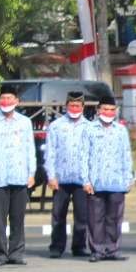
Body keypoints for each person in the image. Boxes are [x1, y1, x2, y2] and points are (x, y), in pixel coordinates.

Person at [0, 85, 36, 266]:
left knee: (17, 218)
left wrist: (31, 173)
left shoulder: (25, 122)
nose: (6, 102)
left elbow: (30, 149)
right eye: (3, 98)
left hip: (20, 175)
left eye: (10, 98)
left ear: (16, 101)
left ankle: (16, 252)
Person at [81, 94, 133, 262]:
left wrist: (128, 178)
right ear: (98, 110)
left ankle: (112, 249)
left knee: (114, 218)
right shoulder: (89, 129)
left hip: (117, 182)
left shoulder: (121, 130)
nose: (108, 112)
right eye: (105, 109)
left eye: (112, 110)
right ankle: (97, 250)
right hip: (96, 182)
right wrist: (85, 180)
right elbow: (83, 156)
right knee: (95, 218)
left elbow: (126, 155)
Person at [43, 90, 91, 258]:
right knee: (58, 214)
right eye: (71, 105)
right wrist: (51, 176)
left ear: (83, 107)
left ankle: (79, 246)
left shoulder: (90, 127)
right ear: (66, 106)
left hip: (81, 179)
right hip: (60, 178)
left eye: (78, 105)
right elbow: (50, 153)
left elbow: (92, 154)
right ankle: (56, 246)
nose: (74, 108)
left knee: (82, 215)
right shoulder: (56, 126)